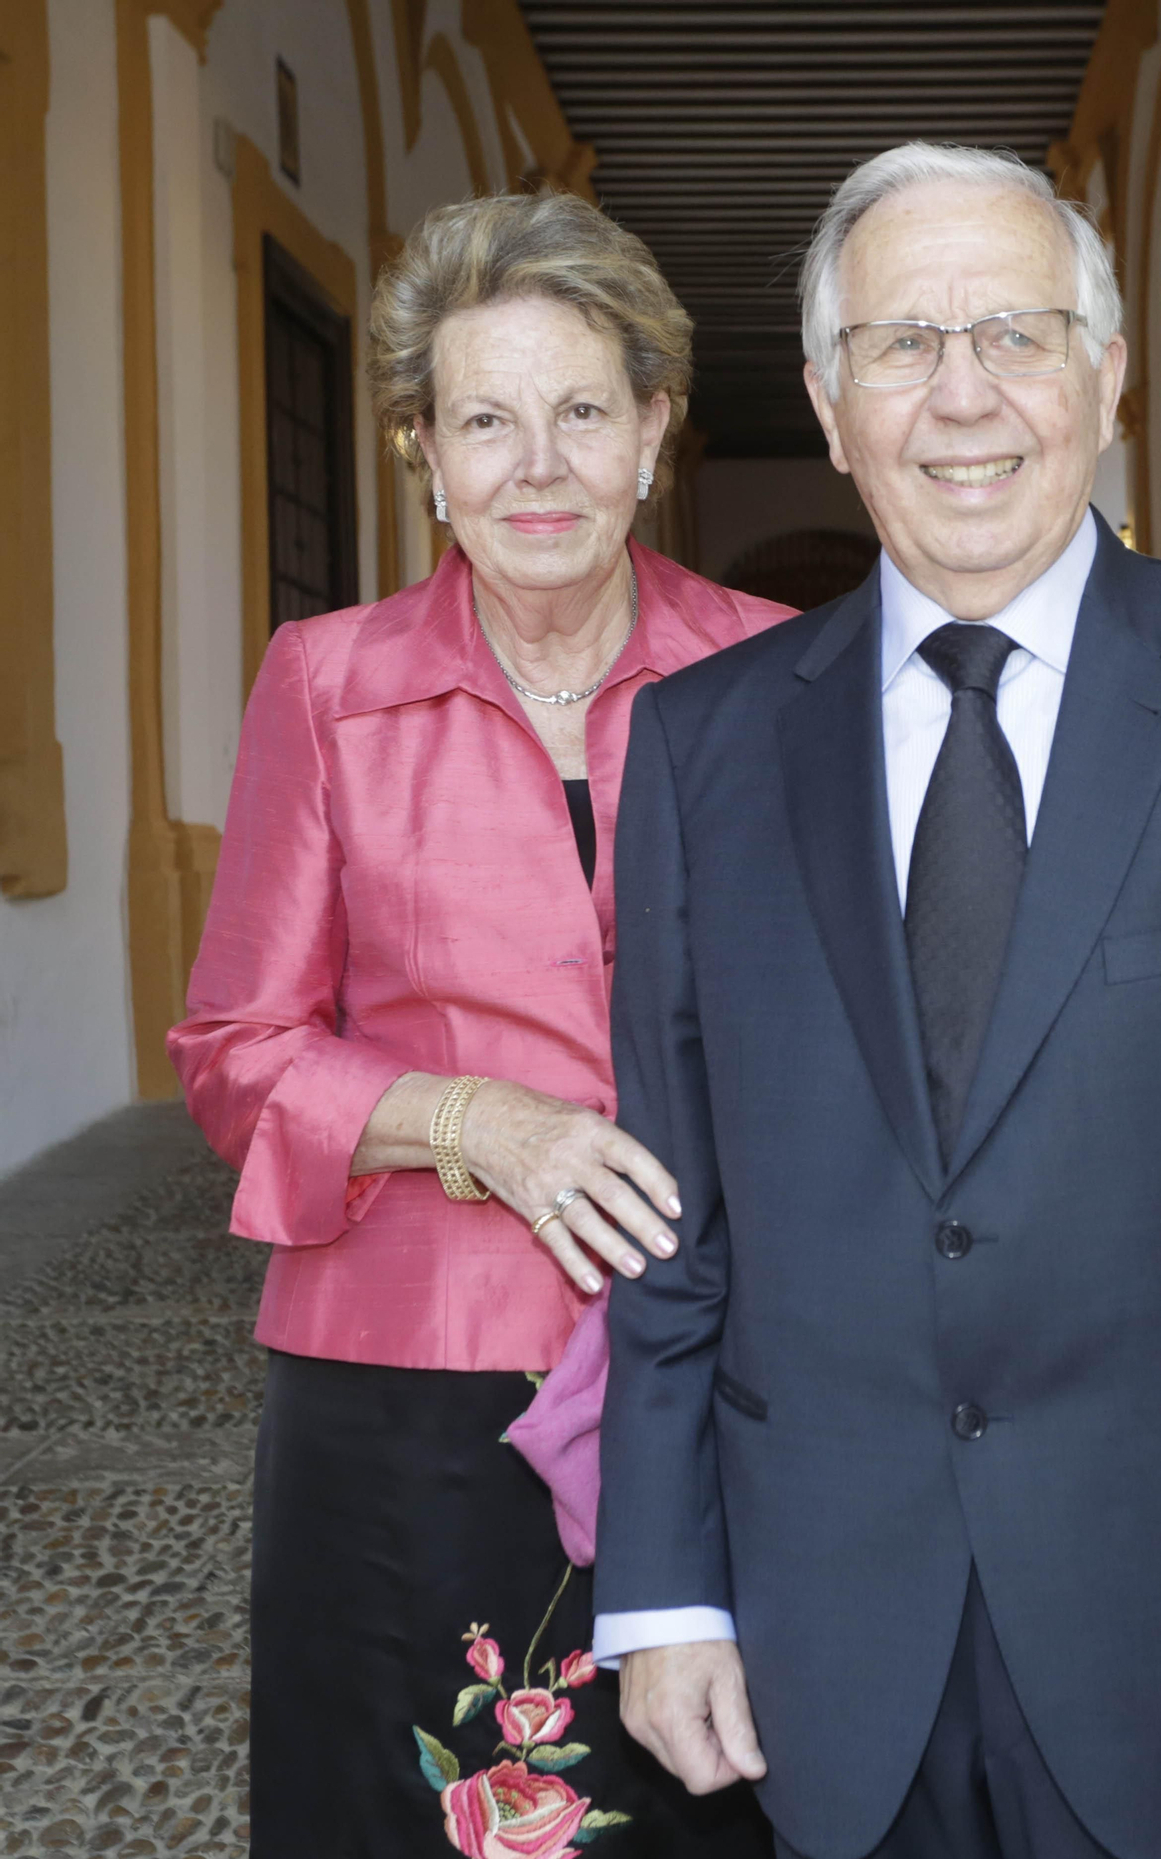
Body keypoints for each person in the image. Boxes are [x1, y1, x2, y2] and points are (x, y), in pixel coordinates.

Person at [592, 143, 1161, 1859]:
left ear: (1106, 373)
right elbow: (673, 1216)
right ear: (827, 397)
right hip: (826, 1632)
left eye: (1016, 334)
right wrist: (661, 1596)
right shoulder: (700, 748)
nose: (963, 399)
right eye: (901, 345)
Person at [169, 189, 788, 1859]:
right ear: (422, 453)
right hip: (410, 1391)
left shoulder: (780, 675)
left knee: (718, 1804)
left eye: (583, 412)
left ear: (655, 432)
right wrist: (481, 1125)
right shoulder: (327, 681)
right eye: (485, 420)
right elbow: (238, 1047)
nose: (538, 466)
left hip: (717, 1359)